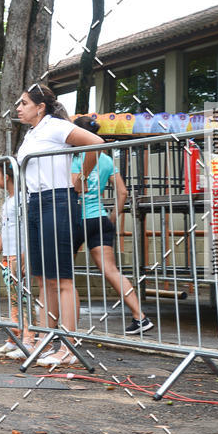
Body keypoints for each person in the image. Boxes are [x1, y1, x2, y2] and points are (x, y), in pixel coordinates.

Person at [16, 85, 101, 368]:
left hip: (59, 200)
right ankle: (46, 339)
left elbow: (96, 143)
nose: (19, 108)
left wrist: (82, 178)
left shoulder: (56, 127)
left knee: (62, 277)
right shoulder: (31, 134)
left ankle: (68, 345)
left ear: (40, 107)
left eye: (24, 103)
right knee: (43, 277)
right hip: (35, 202)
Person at [71, 116, 153, 335]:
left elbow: (75, 187)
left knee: (62, 273)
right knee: (111, 270)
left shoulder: (74, 157)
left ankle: (68, 325)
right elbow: (123, 192)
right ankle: (140, 316)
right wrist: (113, 216)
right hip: (100, 217)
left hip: (77, 218)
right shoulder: (106, 158)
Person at [0, 162, 35, 358]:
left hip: (19, 254)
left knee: (22, 298)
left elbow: (28, 229)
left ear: (6, 176)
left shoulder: (23, 200)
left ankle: (29, 339)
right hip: (8, 255)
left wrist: (25, 255)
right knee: (14, 299)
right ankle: (15, 338)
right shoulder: (9, 201)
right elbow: (6, 229)